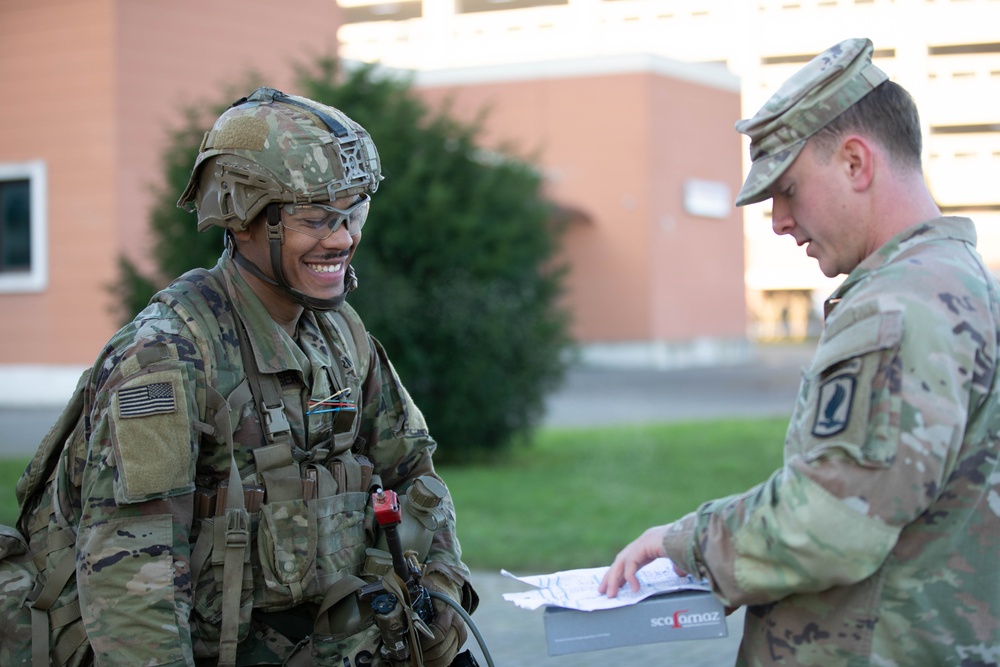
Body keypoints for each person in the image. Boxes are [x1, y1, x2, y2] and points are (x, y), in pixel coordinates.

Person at [8, 87, 477, 666]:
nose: (344, 238)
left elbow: (415, 477)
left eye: (355, 213)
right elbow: (132, 580)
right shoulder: (168, 357)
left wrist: (439, 616)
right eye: (317, 218)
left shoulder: (340, 336)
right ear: (243, 217)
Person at [599, 37, 1000, 666]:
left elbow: (830, 527)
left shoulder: (896, 308)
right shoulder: (960, 282)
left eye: (786, 189)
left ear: (855, 163)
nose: (779, 220)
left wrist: (684, 543)